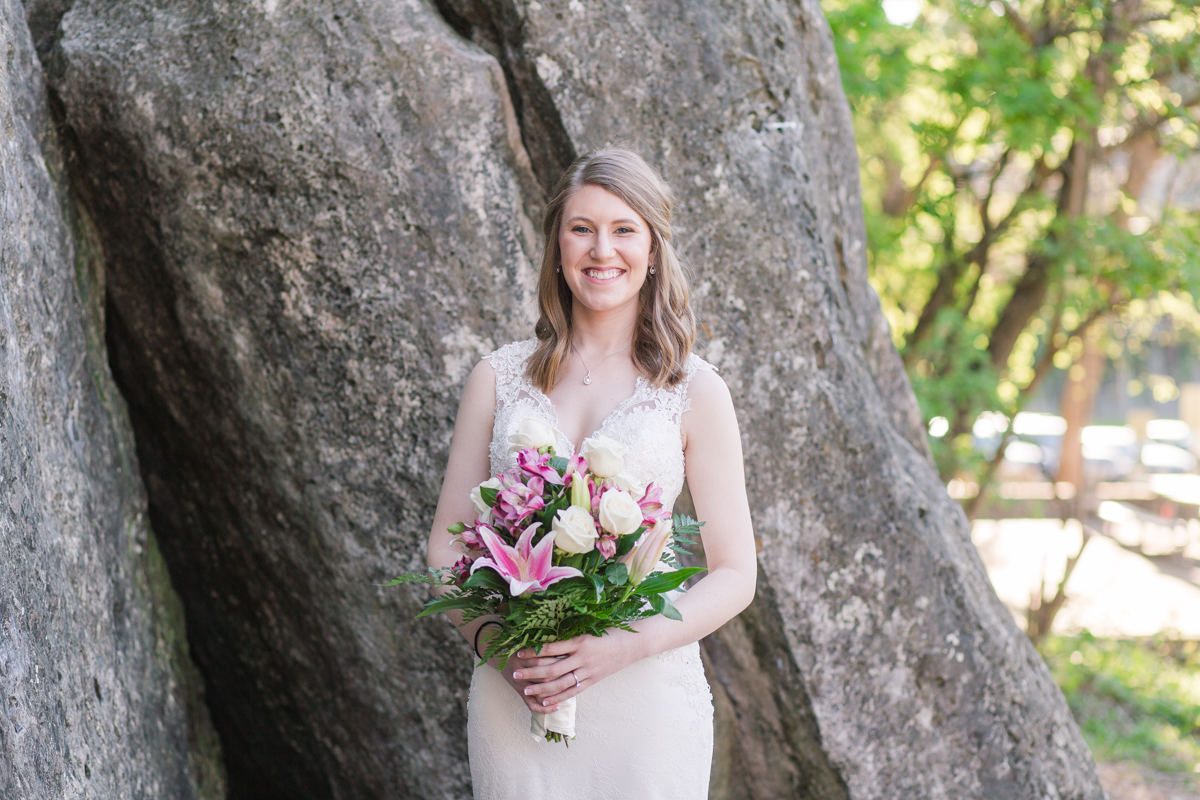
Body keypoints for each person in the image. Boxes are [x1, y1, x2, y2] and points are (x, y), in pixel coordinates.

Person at [426, 145, 757, 799]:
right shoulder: (497, 378)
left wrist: (620, 646)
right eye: (582, 229)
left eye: (623, 229)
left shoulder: (694, 390)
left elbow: (734, 574)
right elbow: (446, 545)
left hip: (646, 699)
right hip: (515, 692)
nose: (601, 250)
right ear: (556, 245)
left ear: (654, 249)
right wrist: (501, 646)